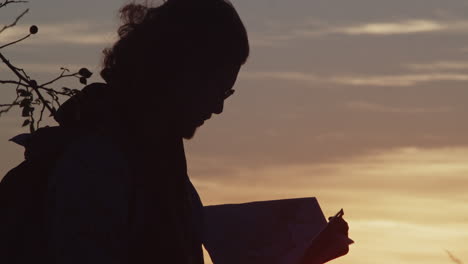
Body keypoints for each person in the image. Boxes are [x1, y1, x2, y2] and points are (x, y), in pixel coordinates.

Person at [46, 0, 350, 263]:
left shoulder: (164, 171)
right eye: (215, 90)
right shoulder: (98, 165)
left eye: (226, 93)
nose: (218, 107)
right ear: (176, 73)